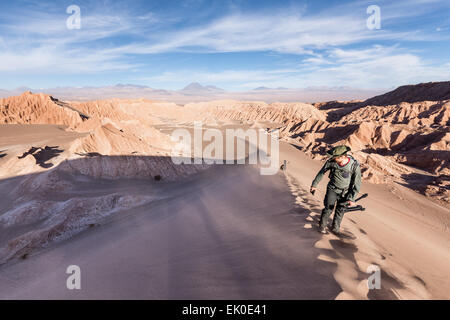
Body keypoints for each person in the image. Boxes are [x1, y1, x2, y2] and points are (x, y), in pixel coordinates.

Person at [310, 145, 361, 235]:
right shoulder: (331, 162)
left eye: (335, 157)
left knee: (340, 211)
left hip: (345, 192)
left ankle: (335, 229)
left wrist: (352, 198)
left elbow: (357, 184)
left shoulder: (354, 166)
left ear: (342, 157)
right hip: (332, 189)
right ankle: (322, 226)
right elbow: (321, 173)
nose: (333, 159)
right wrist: (314, 184)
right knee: (328, 209)